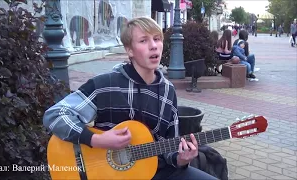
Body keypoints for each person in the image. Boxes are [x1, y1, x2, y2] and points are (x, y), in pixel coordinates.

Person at [42, 17, 217, 180]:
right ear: (129, 50)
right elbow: (55, 115)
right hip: (106, 173)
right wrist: (96, 139)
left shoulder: (167, 91)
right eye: (143, 41)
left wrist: (181, 159)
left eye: (157, 39)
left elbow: (169, 146)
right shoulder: (106, 84)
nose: (153, 46)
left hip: (154, 170)